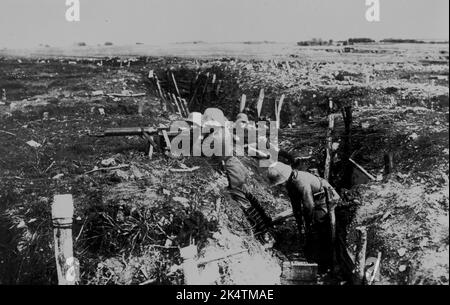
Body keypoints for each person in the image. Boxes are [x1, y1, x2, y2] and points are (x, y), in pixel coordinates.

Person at [267, 162, 343, 273]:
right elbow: (295, 204)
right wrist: (299, 223)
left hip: (325, 198)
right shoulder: (290, 182)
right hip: (315, 199)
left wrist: (308, 224)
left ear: (284, 178)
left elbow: (309, 206)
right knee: (311, 229)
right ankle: (311, 251)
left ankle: (324, 264)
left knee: (319, 227)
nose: (280, 186)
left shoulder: (300, 182)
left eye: (280, 183)